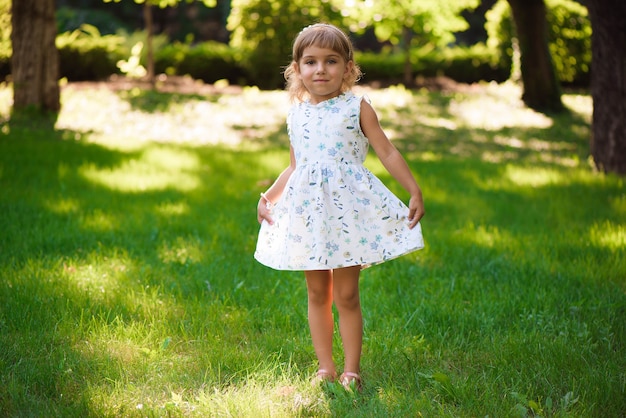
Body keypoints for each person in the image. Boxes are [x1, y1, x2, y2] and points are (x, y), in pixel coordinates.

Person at [254, 23, 425, 391]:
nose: (320, 70)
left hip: (348, 214)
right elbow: (296, 166)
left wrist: (413, 190)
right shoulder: (296, 114)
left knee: (346, 294)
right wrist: (269, 196)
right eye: (311, 62)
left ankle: (351, 370)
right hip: (310, 217)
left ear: (348, 67)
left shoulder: (357, 107)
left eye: (331, 61)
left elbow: (387, 151)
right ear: (296, 69)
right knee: (318, 293)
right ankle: (325, 367)